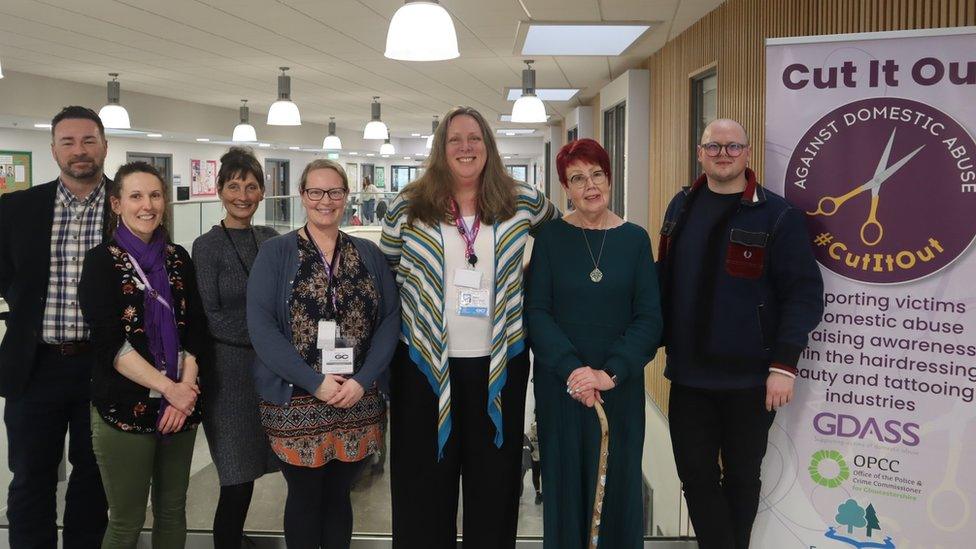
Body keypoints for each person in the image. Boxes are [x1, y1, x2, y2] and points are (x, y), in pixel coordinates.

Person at [380, 105, 558, 549]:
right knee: (423, 489)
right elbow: (386, 273)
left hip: (498, 368)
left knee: (494, 489)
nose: (465, 147)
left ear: (488, 147)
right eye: (454, 139)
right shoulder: (408, 205)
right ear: (441, 148)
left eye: (474, 138)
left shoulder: (523, 200)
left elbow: (563, 235)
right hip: (422, 367)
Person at [657, 119, 824, 549]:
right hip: (689, 376)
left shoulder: (777, 215)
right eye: (714, 146)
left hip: (751, 380)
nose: (723, 154)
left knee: (743, 477)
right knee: (694, 474)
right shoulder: (681, 207)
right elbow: (664, 279)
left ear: (748, 154)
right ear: (700, 153)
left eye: (733, 147)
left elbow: (803, 295)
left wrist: (784, 365)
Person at [247, 159, 399, 548]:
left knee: (339, 495)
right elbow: (262, 328)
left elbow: (390, 320)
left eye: (334, 192)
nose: (325, 201)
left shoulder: (368, 252)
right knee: (304, 495)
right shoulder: (275, 253)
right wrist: (314, 382)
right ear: (302, 196)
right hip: (297, 399)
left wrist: (363, 382)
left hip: (356, 400)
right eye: (315, 192)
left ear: (346, 197)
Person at [525, 138, 662, 548]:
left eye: (597, 174)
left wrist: (609, 373)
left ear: (609, 178)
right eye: (577, 178)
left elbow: (649, 319)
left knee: (616, 489)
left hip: (618, 387)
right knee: (566, 488)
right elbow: (537, 313)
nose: (590, 186)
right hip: (562, 388)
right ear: (565, 188)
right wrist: (574, 371)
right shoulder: (550, 238)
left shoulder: (636, 239)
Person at [78, 161, 208, 547]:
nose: (146, 205)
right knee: (126, 521)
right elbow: (110, 344)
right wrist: (172, 390)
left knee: (172, 510)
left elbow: (195, 329)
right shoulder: (101, 262)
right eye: (135, 196)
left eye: (154, 195)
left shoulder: (178, 258)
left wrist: (183, 390)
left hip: (179, 408)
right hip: (125, 409)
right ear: (117, 203)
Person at [0, 105, 110, 547]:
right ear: (53, 150)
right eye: (68, 142)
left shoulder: (129, 205)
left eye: (88, 140)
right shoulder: (17, 208)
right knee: (30, 477)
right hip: (35, 366)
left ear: (105, 145)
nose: (79, 151)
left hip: (104, 367)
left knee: (93, 476)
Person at [191, 147, 278, 548]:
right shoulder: (207, 246)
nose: (243, 194)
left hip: (274, 372)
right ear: (220, 191)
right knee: (235, 476)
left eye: (251, 186)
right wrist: (266, 331)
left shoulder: (272, 240)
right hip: (228, 374)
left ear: (262, 192)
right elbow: (211, 315)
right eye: (234, 186)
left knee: (278, 466)